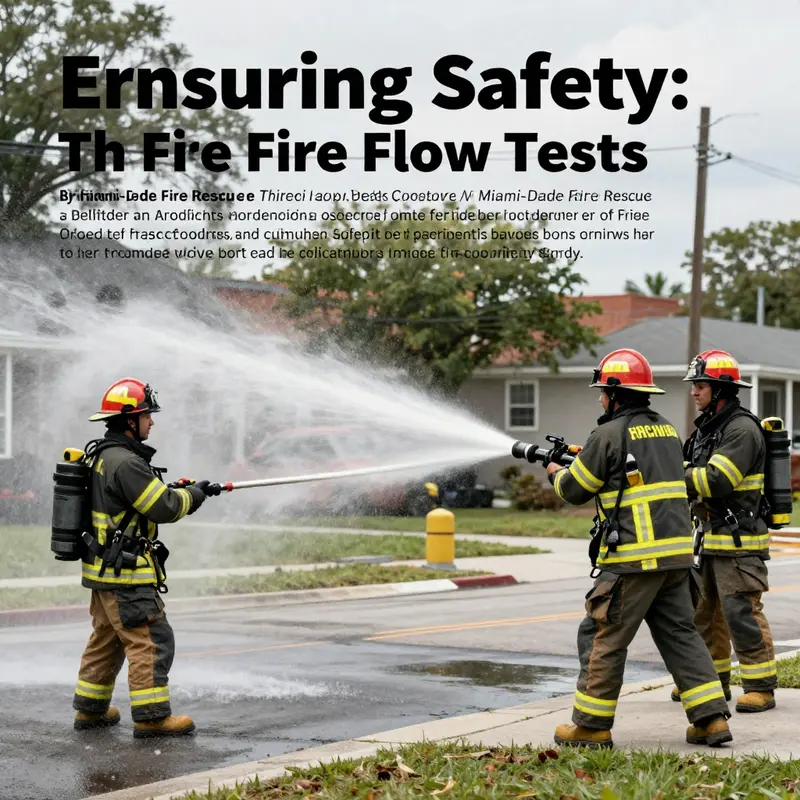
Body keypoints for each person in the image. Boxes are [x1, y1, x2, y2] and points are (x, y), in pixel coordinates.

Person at [545, 348, 732, 749]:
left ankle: (591, 726)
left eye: (602, 393)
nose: (600, 399)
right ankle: (711, 719)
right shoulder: (665, 429)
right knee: (681, 634)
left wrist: (556, 471)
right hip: (676, 558)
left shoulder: (607, 434)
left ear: (616, 393)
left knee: (601, 635)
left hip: (633, 560)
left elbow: (575, 490)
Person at [72, 377, 222, 737]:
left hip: (103, 573)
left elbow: (138, 501)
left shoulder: (103, 457)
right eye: (146, 416)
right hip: (127, 574)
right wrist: (195, 495)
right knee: (151, 640)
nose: (151, 422)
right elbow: (164, 508)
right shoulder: (126, 462)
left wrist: (180, 490)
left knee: (106, 641)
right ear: (129, 421)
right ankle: (152, 717)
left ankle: (91, 710)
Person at [669, 350, 777, 713]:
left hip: (739, 540)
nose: (693, 392)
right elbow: (691, 472)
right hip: (708, 539)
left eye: (699, 385)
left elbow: (718, 480)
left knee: (740, 614)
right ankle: (712, 682)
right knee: (703, 614)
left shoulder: (742, 430)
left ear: (720, 390)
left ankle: (760, 685)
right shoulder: (706, 430)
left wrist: (675, 475)